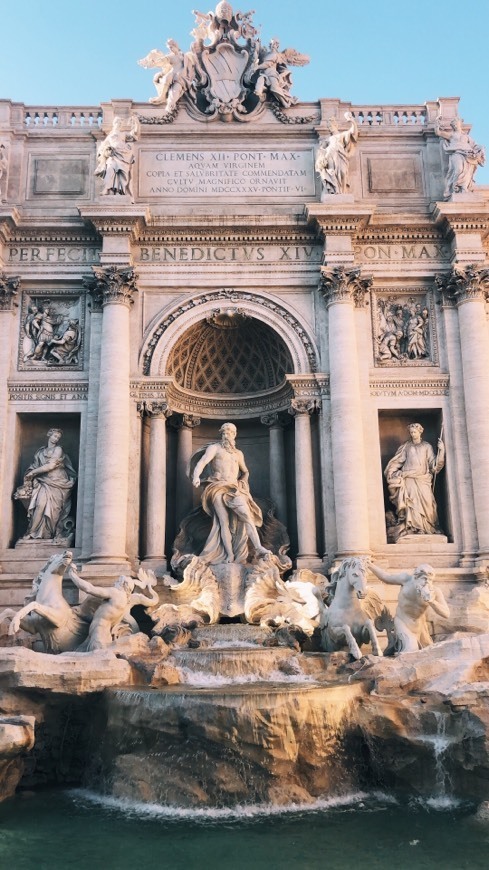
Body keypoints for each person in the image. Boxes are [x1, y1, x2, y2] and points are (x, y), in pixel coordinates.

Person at [190, 422, 271, 564]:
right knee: (223, 522)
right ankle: (229, 555)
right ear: (221, 434)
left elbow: (245, 471)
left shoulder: (238, 454)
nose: (227, 435)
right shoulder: (214, 448)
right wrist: (196, 476)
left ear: (235, 435)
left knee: (247, 515)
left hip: (234, 488)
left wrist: (243, 483)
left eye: (230, 432)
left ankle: (258, 547)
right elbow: (202, 462)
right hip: (217, 487)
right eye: (225, 432)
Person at [67, 568, 159, 651]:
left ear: (122, 584)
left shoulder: (115, 593)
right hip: (106, 635)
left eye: (117, 581)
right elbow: (103, 617)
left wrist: (73, 576)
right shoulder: (124, 603)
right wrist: (83, 615)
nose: (115, 583)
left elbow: (89, 588)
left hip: (98, 633)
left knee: (91, 660)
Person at [369, 562, 449, 653]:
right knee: (411, 649)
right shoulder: (405, 580)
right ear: (416, 577)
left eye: (430, 580)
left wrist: (432, 601)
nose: (427, 583)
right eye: (424, 579)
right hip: (402, 622)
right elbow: (386, 577)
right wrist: (369, 565)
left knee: (427, 653)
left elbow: (446, 614)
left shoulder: (434, 591)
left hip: (420, 626)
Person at [384, 423, 444, 537]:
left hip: (423, 479)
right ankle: (414, 528)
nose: (412, 434)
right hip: (409, 478)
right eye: (411, 432)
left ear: (420, 432)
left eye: (414, 432)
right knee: (412, 504)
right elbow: (398, 461)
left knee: (428, 503)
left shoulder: (427, 446)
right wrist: (391, 471)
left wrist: (441, 451)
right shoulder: (407, 446)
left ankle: (428, 527)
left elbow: (434, 465)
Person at [17, 429, 77, 542]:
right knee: (40, 505)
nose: (56, 439)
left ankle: (49, 534)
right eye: (54, 436)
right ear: (49, 435)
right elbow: (34, 466)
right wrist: (30, 473)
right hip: (44, 481)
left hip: (58, 483)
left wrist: (33, 473)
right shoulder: (40, 452)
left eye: (58, 438)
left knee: (54, 510)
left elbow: (51, 466)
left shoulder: (58, 449)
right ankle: (32, 533)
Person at [434, 116, 485, 199]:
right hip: (456, 153)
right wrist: (437, 122)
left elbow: (474, 145)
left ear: (460, 124)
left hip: (467, 154)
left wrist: (479, 150)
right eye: (453, 124)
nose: (455, 125)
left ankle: (463, 188)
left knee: (467, 172)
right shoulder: (451, 135)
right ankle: (455, 188)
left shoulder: (467, 137)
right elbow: (438, 132)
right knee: (458, 169)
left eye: (456, 123)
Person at [95, 115, 139, 200]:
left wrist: (136, 123)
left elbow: (134, 135)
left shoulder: (123, 134)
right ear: (114, 123)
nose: (119, 124)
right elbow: (102, 147)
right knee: (110, 169)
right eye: (118, 122)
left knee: (123, 173)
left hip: (124, 155)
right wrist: (105, 151)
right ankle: (106, 189)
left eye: (120, 123)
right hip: (113, 155)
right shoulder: (110, 136)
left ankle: (120, 191)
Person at [315, 112, 358, 195]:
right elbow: (321, 150)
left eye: (331, 125)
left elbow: (352, 133)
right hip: (330, 156)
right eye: (329, 126)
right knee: (332, 173)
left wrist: (352, 121)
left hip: (340, 156)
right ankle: (335, 190)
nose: (330, 128)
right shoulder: (328, 139)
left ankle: (343, 191)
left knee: (342, 172)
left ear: (336, 126)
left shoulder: (341, 135)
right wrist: (321, 159)